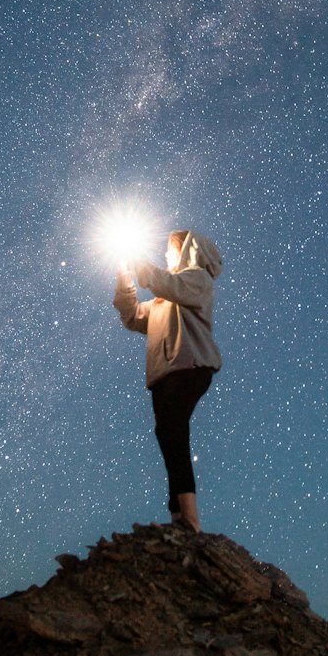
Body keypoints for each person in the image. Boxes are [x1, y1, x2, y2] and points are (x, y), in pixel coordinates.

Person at [113, 228, 222, 533]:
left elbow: (166, 281)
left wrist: (138, 262)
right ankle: (179, 516)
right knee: (167, 434)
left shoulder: (197, 280)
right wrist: (124, 277)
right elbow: (133, 316)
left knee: (173, 430)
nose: (164, 255)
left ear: (186, 250)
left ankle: (190, 519)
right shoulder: (164, 299)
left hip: (189, 367)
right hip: (164, 373)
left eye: (169, 250)